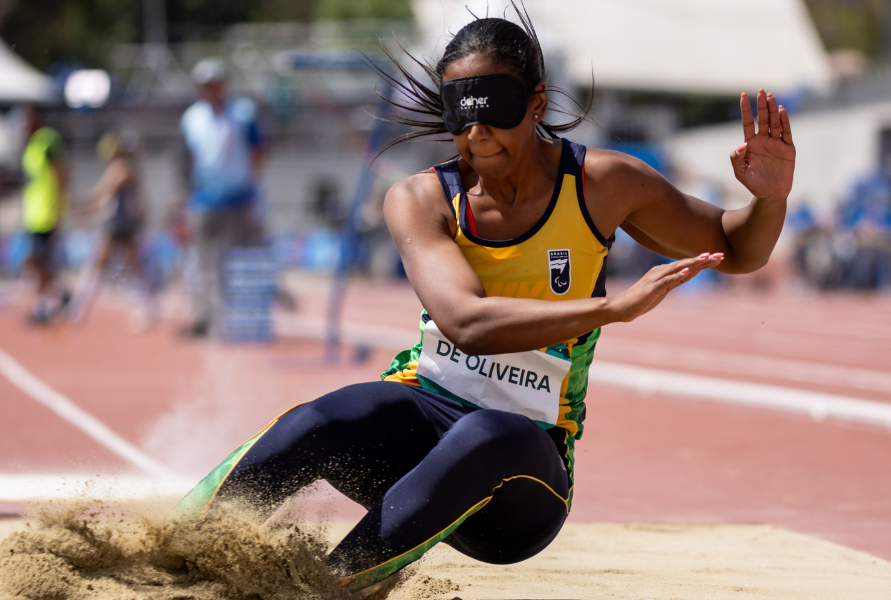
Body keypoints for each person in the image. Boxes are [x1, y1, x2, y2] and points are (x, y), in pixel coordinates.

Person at [176, 9, 794, 593]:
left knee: (489, 435)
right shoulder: (420, 199)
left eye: (494, 111)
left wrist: (767, 201)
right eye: (462, 115)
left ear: (537, 103)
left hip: (523, 480)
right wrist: (610, 309)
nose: (477, 133)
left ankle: (321, 593)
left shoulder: (605, 185)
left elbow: (736, 249)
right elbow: (466, 322)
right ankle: (170, 549)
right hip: (418, 431)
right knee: (323, 418)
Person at [179, 57, 266, 338]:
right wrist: (185, 194)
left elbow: (258, 152)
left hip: (239, 199)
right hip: (203, 201)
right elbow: (187, 160)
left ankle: (241, 320)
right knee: (204, 264)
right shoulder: (191, 118)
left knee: (239, 262)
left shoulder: (243, 112)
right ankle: (206, 319)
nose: (211, 90)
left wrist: (252, 189)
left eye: (215, 84)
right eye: (206, 85)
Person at [67, 132, 158, 329]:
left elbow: (102, 193)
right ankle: (148, 308)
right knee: (119, 267)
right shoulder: (119, 169)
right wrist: (84, 210)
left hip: (121, 226)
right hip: (117, 224)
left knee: (107, 265)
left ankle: (79, 307)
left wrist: (79, 204)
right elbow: (105, 201)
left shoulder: (123, 169)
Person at [22, 105, 70, 324]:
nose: (25, 122)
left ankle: (49, 301)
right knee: (39, 263)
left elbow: (62, 174)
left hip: (47, 212)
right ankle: (54, 297)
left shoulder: (47, 141)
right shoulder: (30, 146)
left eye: (29, 117)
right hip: (34, 214)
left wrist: (59, 207)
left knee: (37, 260)